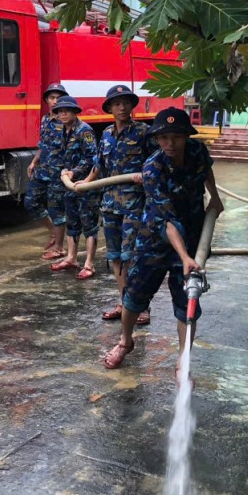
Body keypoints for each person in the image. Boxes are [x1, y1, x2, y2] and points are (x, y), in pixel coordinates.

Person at [104, 107, 224, 372]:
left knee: (187, 300)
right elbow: (167, 220)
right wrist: (184, 258)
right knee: (134, 295)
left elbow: (206, 170)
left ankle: (184, 361)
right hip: (154, 240)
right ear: (157, 139)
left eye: (177, 137)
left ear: (186, 137)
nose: (170, 143)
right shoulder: (152, 169)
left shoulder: (197, 152)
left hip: (192, 233)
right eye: (164, 137)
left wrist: (213, 196)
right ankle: (125, 341)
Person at [78, 84, 153, 321]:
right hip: (110, 204)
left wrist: (146, 176)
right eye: (117, 103)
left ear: (132, 106)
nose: (122, 107)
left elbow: (156, 162)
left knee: (132, 256)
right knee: (115, 257)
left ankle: (141, 307)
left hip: (134, 204)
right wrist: (85, 182)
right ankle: (124, 303)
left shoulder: (143, 132)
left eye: (126, 103)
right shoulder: (107, 134)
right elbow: (99, 165)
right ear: (109, 108)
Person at [48, 95, 99, 276]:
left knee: (89, 223)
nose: (62, 114)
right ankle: (71, 258)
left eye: (66, 111)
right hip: (70, 185)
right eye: (60, 111)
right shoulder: (64, 130)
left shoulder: (84, 131)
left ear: (75, 112)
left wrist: (74, 173)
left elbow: (92, 159)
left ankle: (89, 264)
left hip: (86, 185)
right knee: (72, 220)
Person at [25, 83, 69, 260]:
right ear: (47, 100)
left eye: (58, 98)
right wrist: (33, 162)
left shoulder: (66, 121)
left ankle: (59, 247)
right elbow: (42, 145)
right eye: (52, 98)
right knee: (31, 202)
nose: (55, 101)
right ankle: (53, 232)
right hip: (42, 169)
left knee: (56, 209)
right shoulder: (45, 119)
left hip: (58, 172)